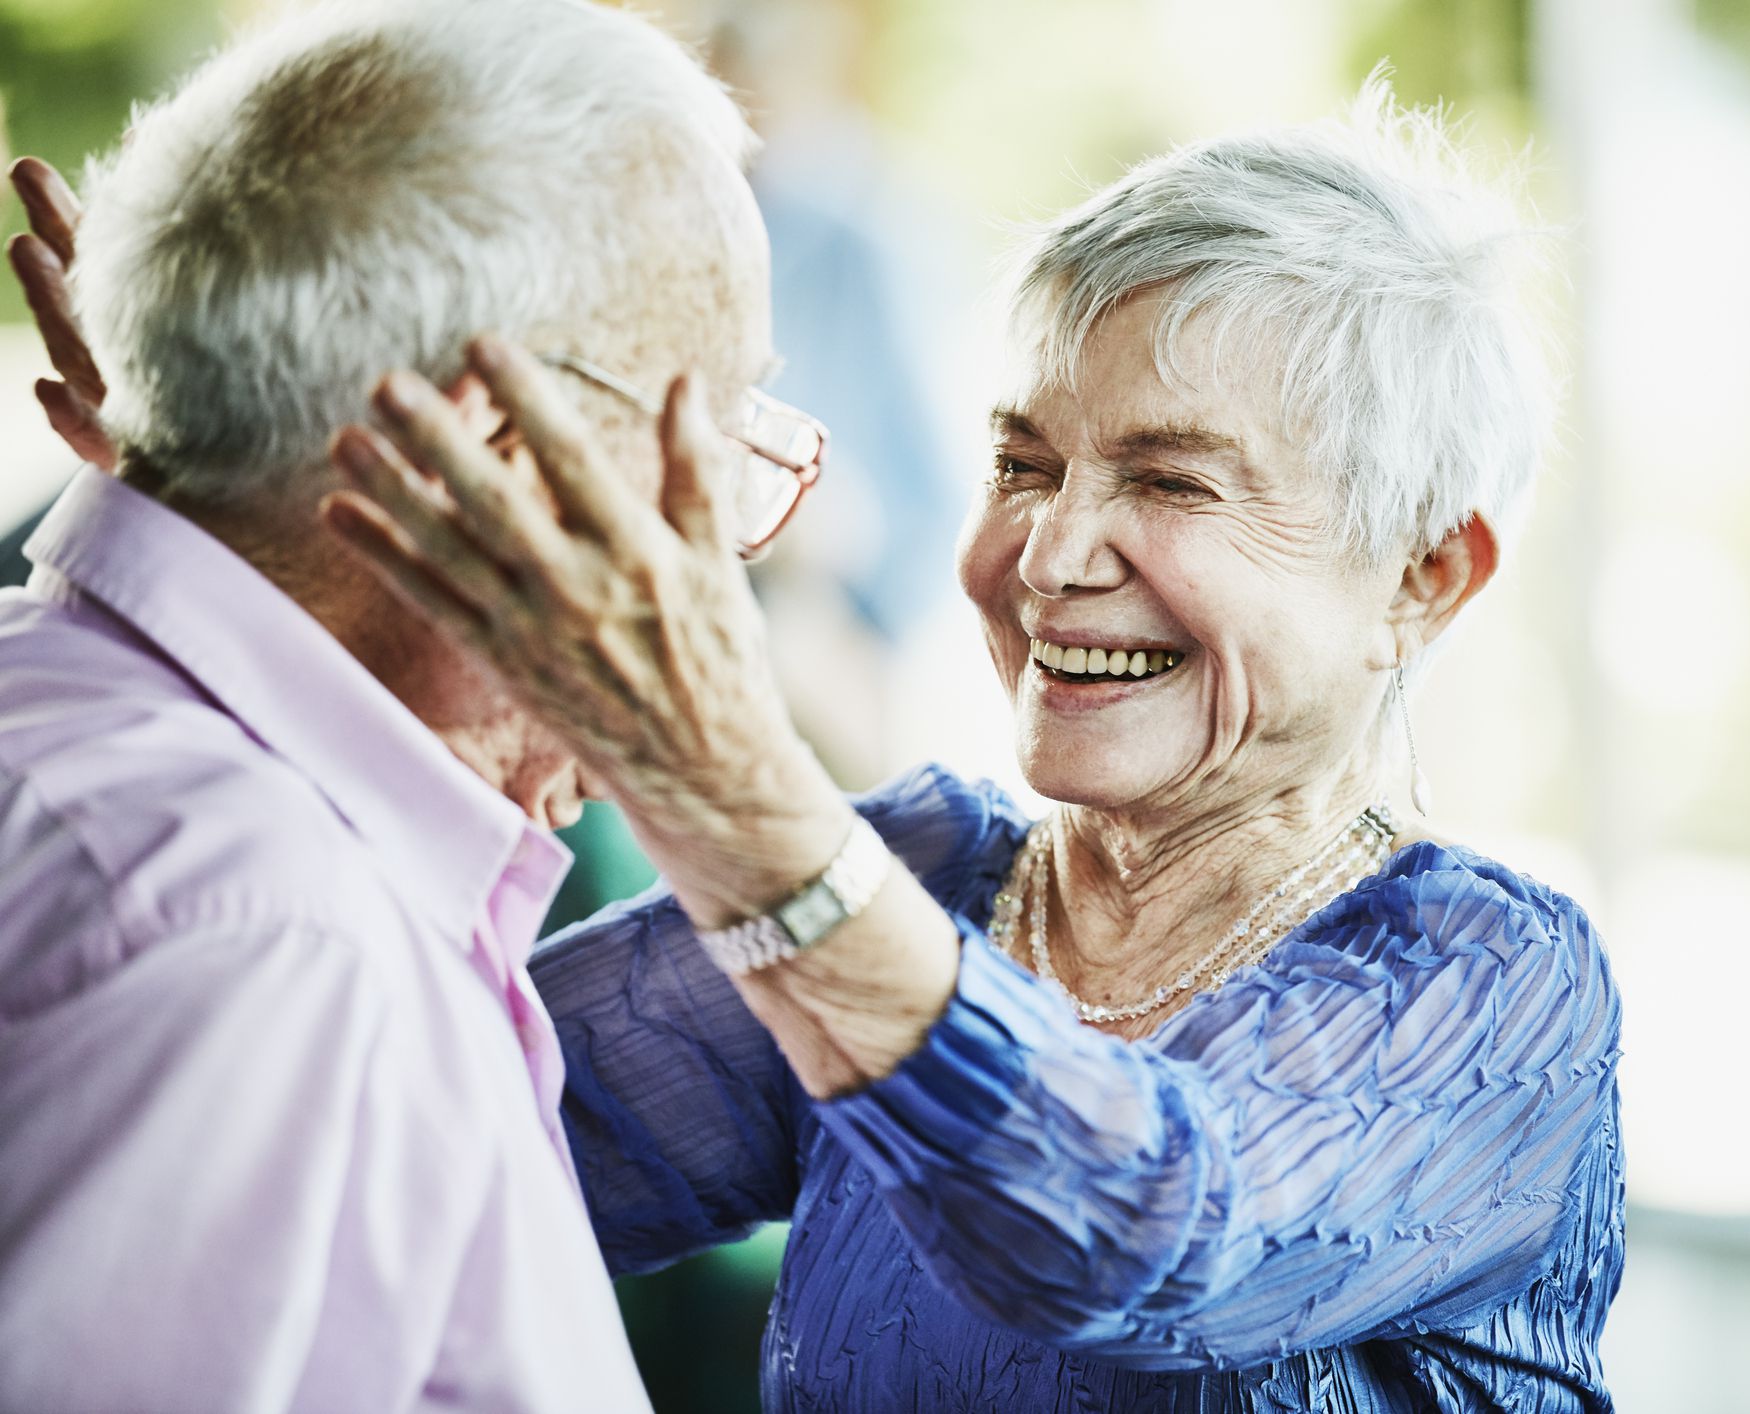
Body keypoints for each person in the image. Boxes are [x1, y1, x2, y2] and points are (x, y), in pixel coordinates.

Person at [19, 72, 1623, 1414]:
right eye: (1021, 460)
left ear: (1423, 575)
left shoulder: (1499, 981)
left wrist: (730, 785)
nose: (1050, 554)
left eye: (1171, 481)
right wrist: (251, 477)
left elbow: (1150, 1230)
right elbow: (409, 1090)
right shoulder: (929, 877)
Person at [0, 0, 791, 1407]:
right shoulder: (261, 926)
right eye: (713, 438)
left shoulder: (85, 729)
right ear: (483, 460)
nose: (724, 536)